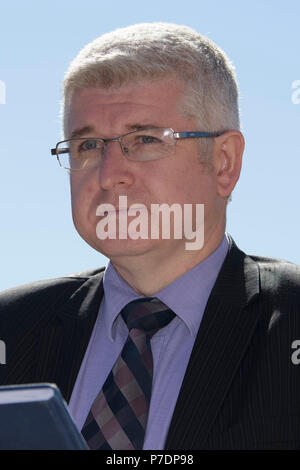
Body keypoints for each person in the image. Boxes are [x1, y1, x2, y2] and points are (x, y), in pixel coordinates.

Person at [1, 22, 300, 450]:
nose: (109, 175)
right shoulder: (11, 329)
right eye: (88, 147)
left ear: (224, 163)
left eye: (144, 139)